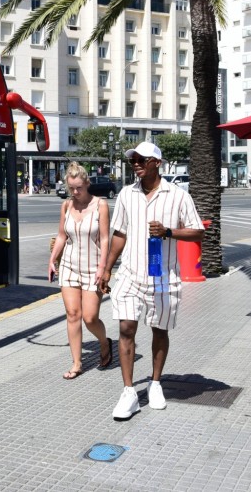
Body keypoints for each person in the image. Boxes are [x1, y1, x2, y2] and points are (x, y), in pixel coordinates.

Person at [102, 142, 204, 419]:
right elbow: (119, 234)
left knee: (160, 331)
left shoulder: (179, 196)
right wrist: (107, 269)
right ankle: (128, 392)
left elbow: (197, 232)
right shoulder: (126, 194)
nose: (135, 163)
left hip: (162, 277)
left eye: (141, 159)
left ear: (156, 163)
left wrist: (169, 232)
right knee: (126, 328)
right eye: (132, 159)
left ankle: (155, 383)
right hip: (130, 275)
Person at [48, 162, 112, 380]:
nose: (75, 192)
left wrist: (103, 268)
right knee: (73, 315)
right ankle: (77, 363)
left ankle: (105, 343)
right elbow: (61, 236)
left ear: (87, 183)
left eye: (79, 188)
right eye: (71, 188)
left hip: (93, 267)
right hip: (69, 266)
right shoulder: (66, 206)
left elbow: (105, 239)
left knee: (90, 317)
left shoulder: (101, 205)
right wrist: (52, 259)